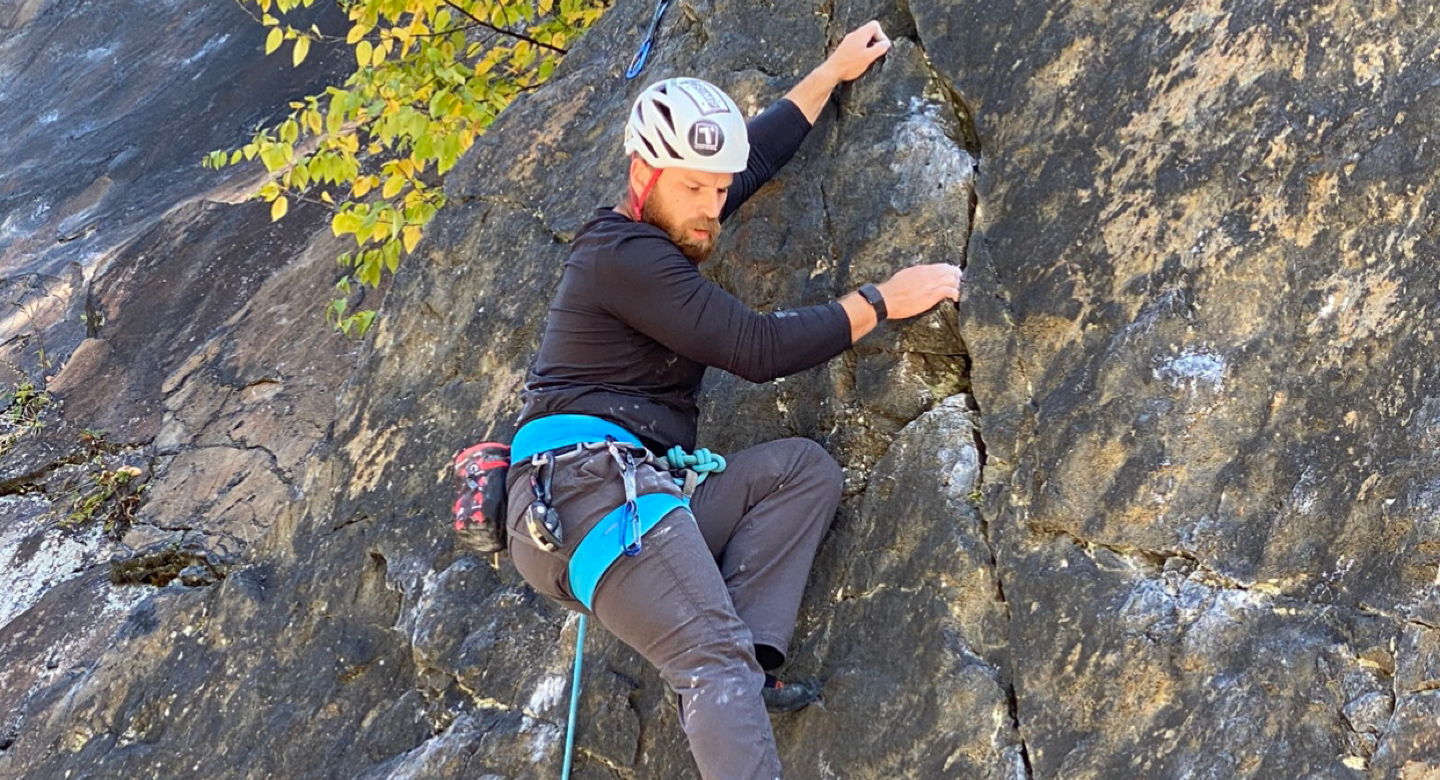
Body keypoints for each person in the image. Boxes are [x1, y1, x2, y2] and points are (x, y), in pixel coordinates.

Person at [503, 20, 962, 780]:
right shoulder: (620, 256)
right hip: (587, 492)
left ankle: (748, 671)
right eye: (694, 187)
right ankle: (728, 674)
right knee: (705, 658)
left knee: (800, 472)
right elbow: (756, 350)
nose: (711, 206)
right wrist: (883, 300)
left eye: (716, 189)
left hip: (621, 494)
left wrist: (832, 73)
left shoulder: (673, 223)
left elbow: (754, 156)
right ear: (642, 172)